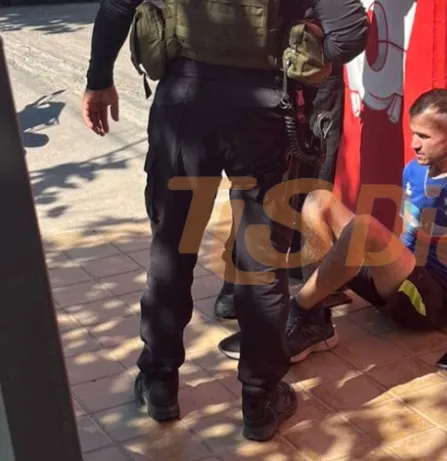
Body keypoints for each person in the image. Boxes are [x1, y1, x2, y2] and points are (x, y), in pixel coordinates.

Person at [81, 0, 369, 442]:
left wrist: (98, 80)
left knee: (172, 253)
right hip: (264, 112)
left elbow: (118, 6)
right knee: (261, 264)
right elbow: (349, 31)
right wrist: (311, 59)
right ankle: (260, 400)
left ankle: (160, 385)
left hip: (184, 107)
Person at [217, 88, 447, 363]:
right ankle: (315, 320)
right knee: (319, 200)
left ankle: (296, 311)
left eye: (424, 136)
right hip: (400, 280)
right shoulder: (414, 170)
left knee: (364, 227)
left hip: (432, 303)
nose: (414, 144)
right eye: (413, 133)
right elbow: (406, 233)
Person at [213, 56, 352, 322]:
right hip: (300, 67)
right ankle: (305, 303)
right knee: (275, 182)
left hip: (270, 71)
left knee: (263, 182)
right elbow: (347, 38)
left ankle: (298, 286)